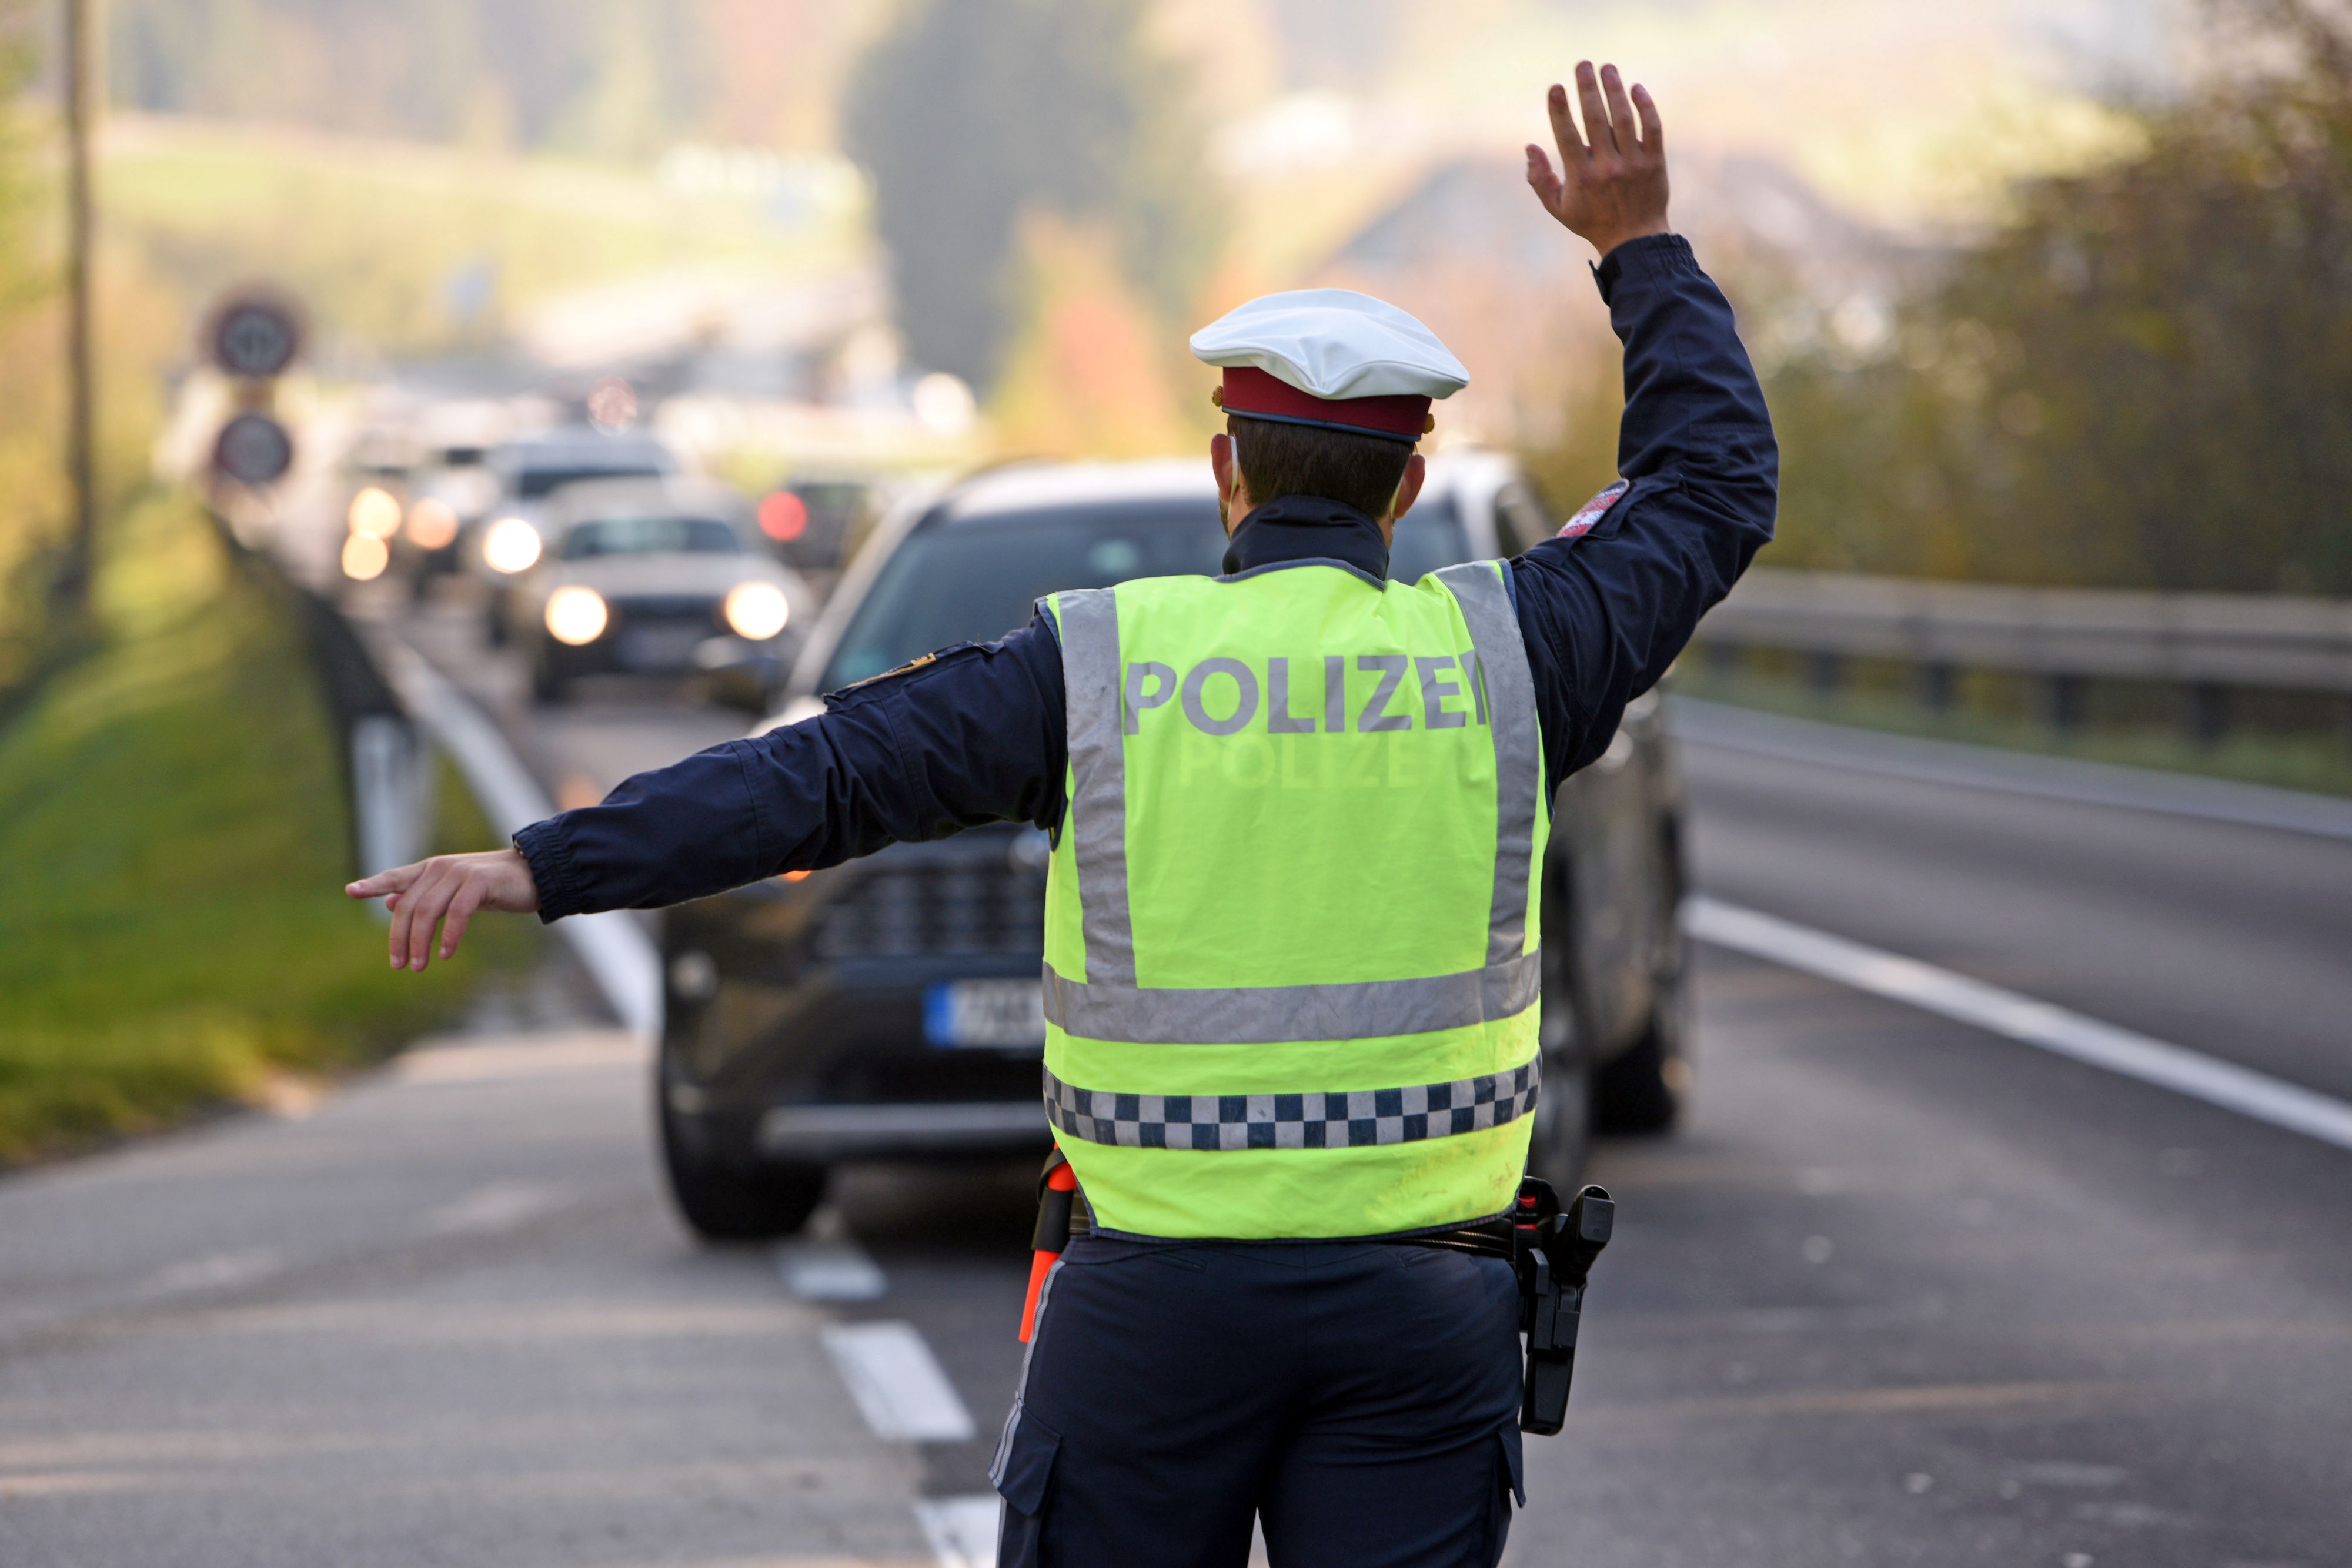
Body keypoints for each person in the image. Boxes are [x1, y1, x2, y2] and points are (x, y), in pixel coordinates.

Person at [350, 62, 1775, 1568]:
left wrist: (541, 862)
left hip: (1150, 1313)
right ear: (1410, 484)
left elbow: (815, 776)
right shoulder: (1505, 653)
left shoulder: (1094, 664)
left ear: (1224, 469)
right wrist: (1640, 246)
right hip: (1420, 1314)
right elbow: (1706, 488)